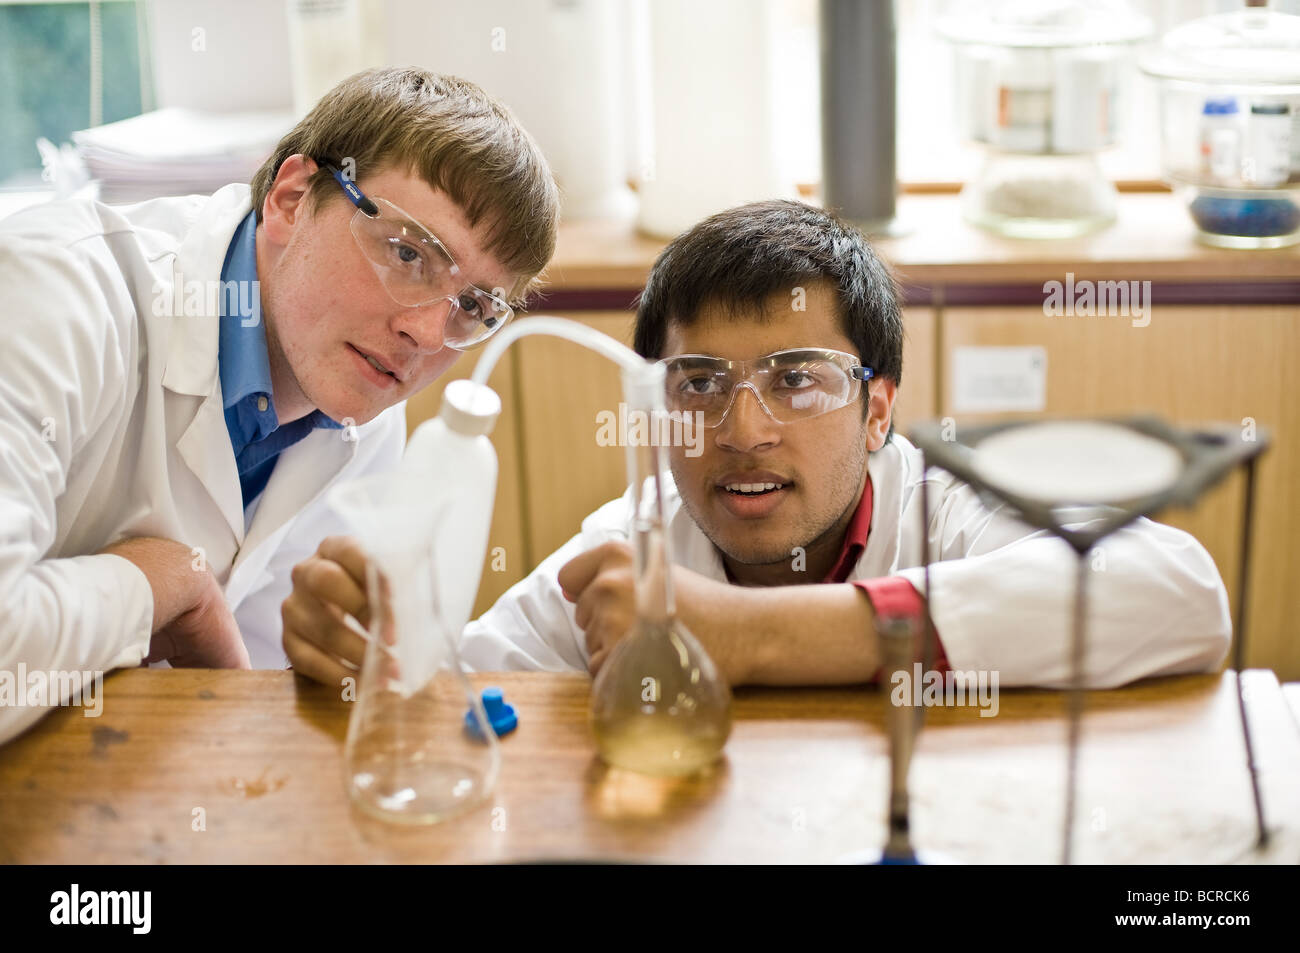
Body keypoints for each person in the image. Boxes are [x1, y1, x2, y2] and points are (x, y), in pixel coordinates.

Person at [282, 200, 1231, 690]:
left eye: (799, 378)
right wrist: (363, 651)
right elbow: (463, 696)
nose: (744, 431)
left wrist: (753, 636)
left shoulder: (951, 505)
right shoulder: (631, 546)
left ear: (878, 409)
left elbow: (1179, 595)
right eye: (700, 385)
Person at [0, 67, 559, 743]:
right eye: (409, 254)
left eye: (473, 306)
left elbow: (245, 689)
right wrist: (170, 584)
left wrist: (321, 664)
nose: (427, 335)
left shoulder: (364, 395)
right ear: (292, 199)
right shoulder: (52, 294)